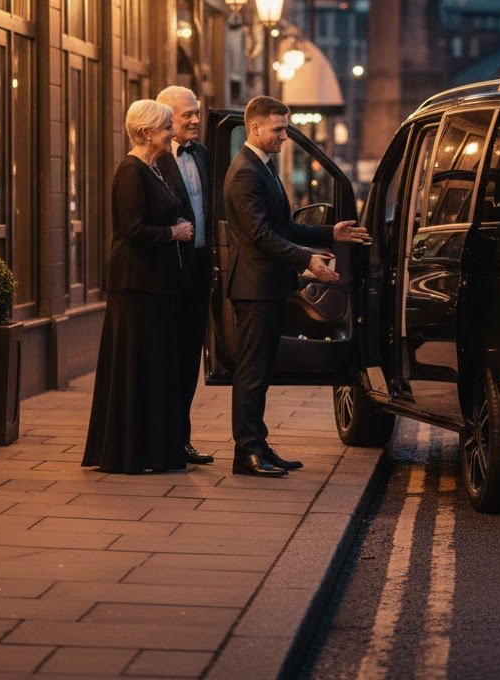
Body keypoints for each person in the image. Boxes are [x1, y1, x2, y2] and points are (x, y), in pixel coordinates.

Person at [224, 95, 371, 478]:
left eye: (285, 129)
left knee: (262, 370)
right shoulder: (245, 173)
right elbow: (260, 235)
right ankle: (247, 453)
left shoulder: (264, 168)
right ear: (254, 128)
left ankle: (258, 444)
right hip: (254, 289)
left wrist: (330, 231)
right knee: (252, 373)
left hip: (268, 286)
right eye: (278, 129)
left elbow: (283, 228)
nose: (284, 136)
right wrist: (307, 260)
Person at [82, 100, 195, 473]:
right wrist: (173, 233)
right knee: (137, 368)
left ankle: (151, 450)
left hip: (155, 284)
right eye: (166, 128)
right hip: (136, 285)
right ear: (147, 133)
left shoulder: (154, 168)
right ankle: (131, 452)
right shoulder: (131, 171)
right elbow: (133, 230)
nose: (171, 133)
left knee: (154, 368)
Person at [157, 85, 214, 467]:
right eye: (186, 115)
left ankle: (182, 438)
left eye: (196, 113)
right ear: (166, 119)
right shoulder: (153, 159)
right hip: (166, 271)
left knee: (191, 355)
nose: (195, 120)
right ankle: (163, 440)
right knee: (166, 357)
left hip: (200, 269)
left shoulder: (203, 154)